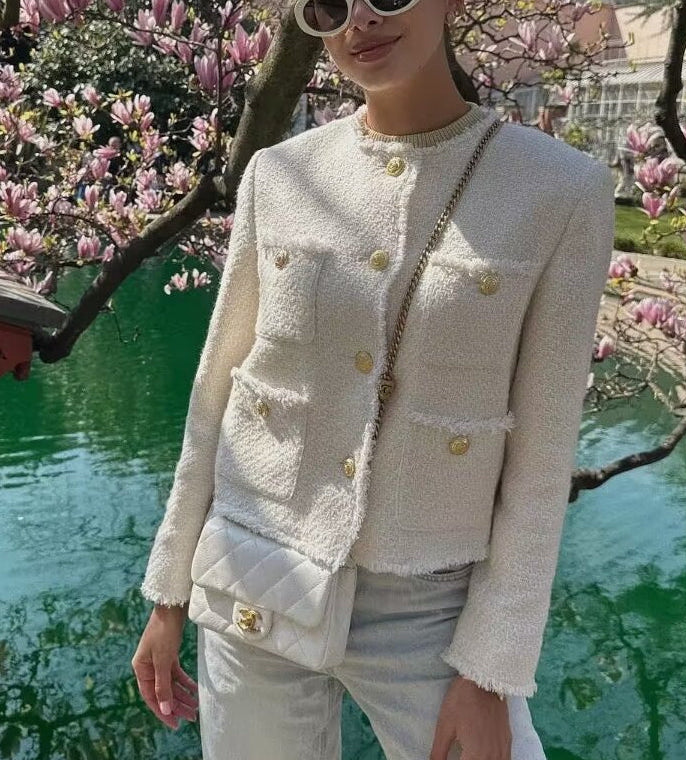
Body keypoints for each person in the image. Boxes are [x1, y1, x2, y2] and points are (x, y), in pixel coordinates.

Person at [131, 1, 615, 758]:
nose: (360, 19)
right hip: (254, 571)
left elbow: (543, 454)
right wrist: (169, 593)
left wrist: (491, 669)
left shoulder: (560, 189)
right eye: (329, 4)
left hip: (432, 605)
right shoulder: (278, 175)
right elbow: (218, 389)